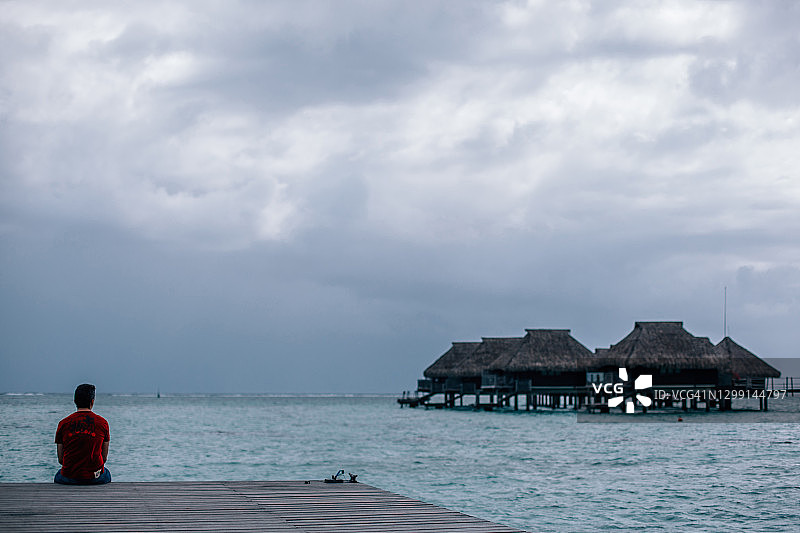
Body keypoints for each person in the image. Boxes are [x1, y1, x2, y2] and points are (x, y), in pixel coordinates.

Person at [54, 384, 111, 484]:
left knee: (59, 474)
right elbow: (104, 457)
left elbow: (61, 459)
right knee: (107, 473)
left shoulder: (63, 423)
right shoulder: (102, 423)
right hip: (94, 477)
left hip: (69, 477)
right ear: (92, 402)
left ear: (75, 401)